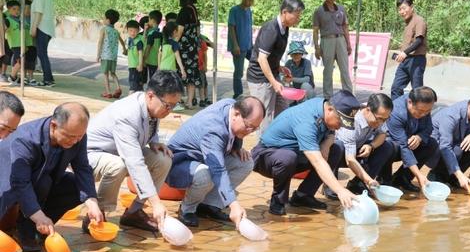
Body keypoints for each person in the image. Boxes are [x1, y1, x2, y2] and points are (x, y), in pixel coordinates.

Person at [0, 103, 104, 252]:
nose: (75, 141)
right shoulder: (26, 139)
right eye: (70, 136)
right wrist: (38, 215)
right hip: (10, 184)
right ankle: (31, 224)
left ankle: (34, 228)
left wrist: (92, 203)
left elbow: (82, 167)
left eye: (79, 137)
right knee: (43, 182)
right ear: (54, 126)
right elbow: (20, 183)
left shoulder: (77, 134)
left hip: (44, 182)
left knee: (75, 187)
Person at [86, 70, 182, 232]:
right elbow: (134, 163)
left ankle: (134, 212)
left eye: (174, 106)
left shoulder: (149, 105)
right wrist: (156, 203)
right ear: (151, 95)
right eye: (168, 105)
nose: (170, 111)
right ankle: (96, 214)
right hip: (91, 156)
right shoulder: (127, 114)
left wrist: (154, 141)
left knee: (163, 159)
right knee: (119, 165)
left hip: (118, 152)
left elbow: (149, 124)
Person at [252, 90, 360, 215]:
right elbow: (317, 161)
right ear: (330, 110)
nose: (340, 126)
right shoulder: (307, 121)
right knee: (288, 157)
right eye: (340, 122)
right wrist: (340, 190)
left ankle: (303, 196)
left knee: (337, 149)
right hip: (267, 156)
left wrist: (326, 143)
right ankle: (278, 200)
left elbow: (331, 132)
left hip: (296, 153)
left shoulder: (324, 107)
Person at [167, 96, 264, 227]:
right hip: (181, 163)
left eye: (255, 128)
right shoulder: (213, 128)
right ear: (236, 114)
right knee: (205, 175)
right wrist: (233, 204)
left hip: (204, 158)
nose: (250, 132)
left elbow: (233, 131)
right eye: (248, 127)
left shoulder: (231, 106)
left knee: (245, 162)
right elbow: (217, 170)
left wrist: (236, 147)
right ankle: (186, 210)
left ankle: (208, 205)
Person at [247, 0, 305, 135]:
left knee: (283, 112)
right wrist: (273, 82)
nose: (298, 19)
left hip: (272, 76)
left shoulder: (285, 28)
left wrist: (279, 67)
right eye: (296, 15)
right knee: (264, 118)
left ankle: (278, 144)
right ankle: (262, 152)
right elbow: (261, 59)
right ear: (285, 12)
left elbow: (272, 54)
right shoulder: (271, 29)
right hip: (260, 79)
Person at [326, 93, 394, 197]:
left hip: (357, 148)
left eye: (385, 120)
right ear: (367, 110)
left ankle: (358, 184)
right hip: (337, 154)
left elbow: (382, 133)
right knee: (338, 146)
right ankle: (330, 185)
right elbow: (350, 160)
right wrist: (369, 181)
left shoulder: (380, 114)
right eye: (379, 119)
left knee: (387, 146)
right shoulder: (352, 120)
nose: (381, 123)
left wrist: (371, 146)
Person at [429, 91, 470, 190]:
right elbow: (445, 146)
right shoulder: (451, 116)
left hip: (456, 144)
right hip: (435, 149)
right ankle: (437, 177)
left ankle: (453, 179)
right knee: (457, 151)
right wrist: (459, 174)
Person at [383, 86, 439, 192]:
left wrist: (419, 137)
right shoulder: (396, 112)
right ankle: (385, 180)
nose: (423, 114)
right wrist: (419, 174)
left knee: (431, 144)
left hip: (409, 142)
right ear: (409, 102)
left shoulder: (423, 107)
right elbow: (403, 145)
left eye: (427, 111)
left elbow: (428, 128)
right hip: (392, 146)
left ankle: (402, 179)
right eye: (420, 111)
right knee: (390, 147)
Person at [312, 0, 353, 99]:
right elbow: (315, 30)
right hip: (326, 41)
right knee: (328, 70)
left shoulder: (341, 9)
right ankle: (328, 97)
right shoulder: (318, 11)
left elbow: (345, 27)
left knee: (344, 69)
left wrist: (348, 44)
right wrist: (317, 47)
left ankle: (348, 94)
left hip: (340, 40)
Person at [390, 0, 428, 100]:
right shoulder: (408, 23)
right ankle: (397, 113)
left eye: (404, 8)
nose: (402, 12)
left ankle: (420, 115)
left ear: (411, 7)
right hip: (405, 60)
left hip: (416, 60)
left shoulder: (419, 21)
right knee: (396, 88)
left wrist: (405, 53)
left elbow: (419, 41)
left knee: (417, 91)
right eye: (399, 9)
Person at [176, 0, 201, 109]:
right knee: (191, 75)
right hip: (193, 47)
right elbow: (197, 30)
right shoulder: (193, 9)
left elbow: (180, 31)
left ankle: (179, 101)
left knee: (181, 73)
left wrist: (174, 42)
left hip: (184, 48)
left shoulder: (184, 11)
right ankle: (190, 102)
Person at [29, 0, 56, 87]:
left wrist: (34, 28)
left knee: (42, 54)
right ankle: (49, 78)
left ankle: (47, 80)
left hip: (42, 27)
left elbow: (38, 12)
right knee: (43, 53)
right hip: (48, 27)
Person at [228, 0, 255, 99]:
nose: (250, 2)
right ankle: (238, 95)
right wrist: (235, 45)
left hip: (249, 46)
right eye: (249, 0)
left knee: (258, 63)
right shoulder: (234, 10)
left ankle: (257, 89)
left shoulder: (249, 11)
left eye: (252, 0)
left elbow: (249, 28)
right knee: (239, 72)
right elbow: (231, 28)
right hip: (238, 46)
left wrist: (252, 44)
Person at [97, 9, 126, 99]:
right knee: (113, 73)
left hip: (105, 56)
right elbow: (122, 42)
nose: (103, 19)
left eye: (104, 18)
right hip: (113, 57)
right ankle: (118, 88)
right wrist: (124, 49)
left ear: (108, 20)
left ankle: (108, 92)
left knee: (105, 74)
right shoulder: (116, 32)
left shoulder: (104, 29)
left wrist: (98, 55)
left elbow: (100, 42)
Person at [143, 10, 163, 81]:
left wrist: (144, 59)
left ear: (153, 20)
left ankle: (152, 92)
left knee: (152, 80)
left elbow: (148, 47)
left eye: (149, 19)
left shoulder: (152, 34)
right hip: (156, 60)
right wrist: (145, 30)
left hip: (150, 61)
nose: (148, 21)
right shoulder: (159, 33)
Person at [125, 20, 144, 94]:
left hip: (136, 66)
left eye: (135, 31)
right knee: (138, 86)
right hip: (131, 66)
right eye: (130, 30)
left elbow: (140, 53)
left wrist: (140, 64)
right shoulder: (130, 40)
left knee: (133, 85)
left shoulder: (138, 41)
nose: (133, 33)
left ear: (138, 30)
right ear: (127, 30)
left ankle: (129, 101)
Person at [198, 34, 214, 107]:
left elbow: (213, 46)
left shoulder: (202, 38)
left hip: (201, 66)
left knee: (204, 83)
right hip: (195, 66)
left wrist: (205, 65)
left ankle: (205, 98)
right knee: (199, 84)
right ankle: (200, 99)